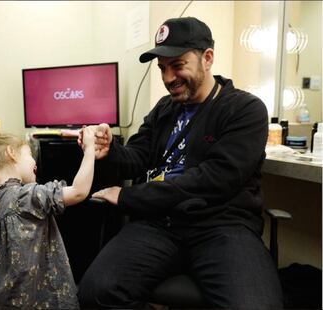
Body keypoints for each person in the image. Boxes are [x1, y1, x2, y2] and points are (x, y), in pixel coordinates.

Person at [77, 17, 283, 309]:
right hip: (158, 224)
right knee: (95, 293)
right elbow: (136, 157)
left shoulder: (244, 109)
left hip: (222, 226)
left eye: (178, 65)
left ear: (207, 58)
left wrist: (129, 196)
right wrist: (109, 150)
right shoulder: (165, 108)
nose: (168, 78)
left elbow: (213, 180)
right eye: (162, 68)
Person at [0, 128, 96, 309]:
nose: (34, 161)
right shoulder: (26, 197)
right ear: (11, 153)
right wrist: (89, 150)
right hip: (32, 299)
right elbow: (79, 191)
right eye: (29, 154)